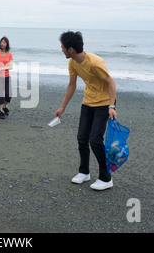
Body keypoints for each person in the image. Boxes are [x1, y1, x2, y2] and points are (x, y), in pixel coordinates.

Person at [55, 31, 117, 191]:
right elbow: (72, 85)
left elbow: (111, 83)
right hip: (88, 102)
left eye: (62, 47)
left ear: (70, 50)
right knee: (82, 138)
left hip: (103, 104)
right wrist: (62, 107)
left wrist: (111, 106)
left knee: (95, 140)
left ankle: (106, 178)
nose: (61, 49)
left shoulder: (95, 63)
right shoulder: (73, 63)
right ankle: (84, 172)